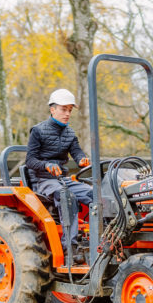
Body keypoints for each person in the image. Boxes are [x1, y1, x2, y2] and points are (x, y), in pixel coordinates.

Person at [26, 89, 92, 264]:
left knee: (95, 194)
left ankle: (100, 241)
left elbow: (77, 152)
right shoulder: (38, 131)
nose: (68, 113)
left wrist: (82, 160)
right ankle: (70, 248)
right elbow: (30, 160)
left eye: (70, 110)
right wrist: (46, 165)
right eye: (64, 109)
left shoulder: (70, 133)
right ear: (52, 109)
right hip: (42, 180)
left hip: (63, 179)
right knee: (67, 196)